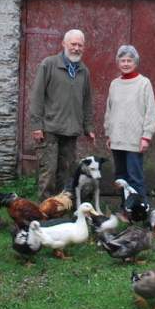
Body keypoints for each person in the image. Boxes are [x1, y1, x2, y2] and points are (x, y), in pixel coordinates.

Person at [29, 29, 96, 198]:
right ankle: (44, 212)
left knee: (66, 173)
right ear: (64, 44)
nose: (76, 48)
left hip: (71, 130)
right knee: (49, 172)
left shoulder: (83, 71)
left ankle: (61, 208)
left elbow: (87, 100)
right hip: (49, 129)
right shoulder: (49, 64)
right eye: (73, 44)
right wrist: (36, 125)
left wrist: (88, 127)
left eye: (80, 45)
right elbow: (37, 96)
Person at [104, 45, 155, 203]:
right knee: (121, 178)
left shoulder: (143, 83)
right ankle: (125, 208)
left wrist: (146, 137)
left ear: (136, 62)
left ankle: (141, 210)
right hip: (117, 139)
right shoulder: (115, 84)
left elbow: (151, 111)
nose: (126, 64)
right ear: (118, 62)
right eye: (122, 60)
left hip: (135, 140)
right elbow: (109, 109)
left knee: (135, 177)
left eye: (129, 60)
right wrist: (109, 133)